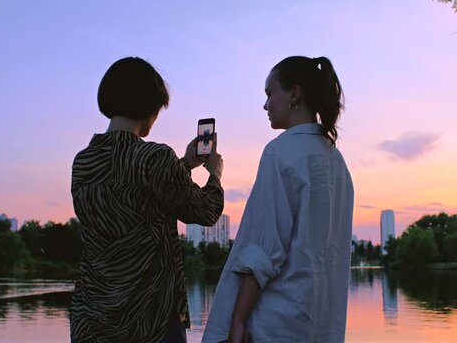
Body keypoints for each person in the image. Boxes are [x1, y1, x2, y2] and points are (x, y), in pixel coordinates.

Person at [70, 57, 225, 343]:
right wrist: (214, 175)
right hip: (149, 322)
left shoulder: (83, 162)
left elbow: (133, 189)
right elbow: (206, 211)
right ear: (149, 107)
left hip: (90, 319)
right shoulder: (155, 158)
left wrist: (185, 164)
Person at [202, 56, 354, 343]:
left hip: (275, 324)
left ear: (294, 94)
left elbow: (263, 250)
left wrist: (237, 320)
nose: (265, 105)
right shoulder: (337, 163)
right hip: (320, 326)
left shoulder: (281, 152)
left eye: (270, 93)